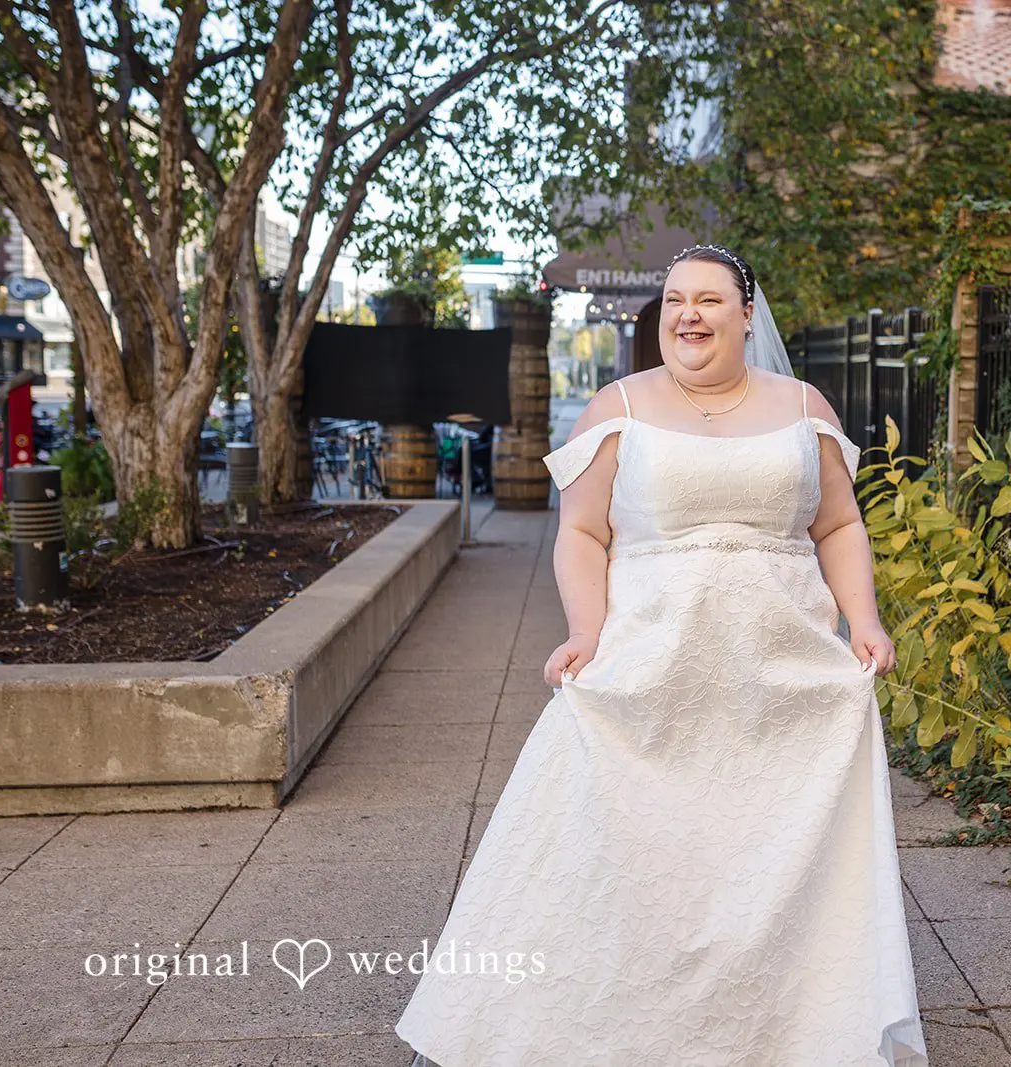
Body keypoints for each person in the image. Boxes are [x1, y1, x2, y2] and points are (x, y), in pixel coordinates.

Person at [395, 244, 929, 1066]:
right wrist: (585, 631)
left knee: (762, 859)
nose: (690, 314)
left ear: (747, 315)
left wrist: (864, 618)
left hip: (781, 669)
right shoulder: (619, 406)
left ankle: (780, 1030)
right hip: (653, 664)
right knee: (647, 859)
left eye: (710, 300)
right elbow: (578, 531)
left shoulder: (803, 405)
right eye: (677, 299)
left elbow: (838, 524)